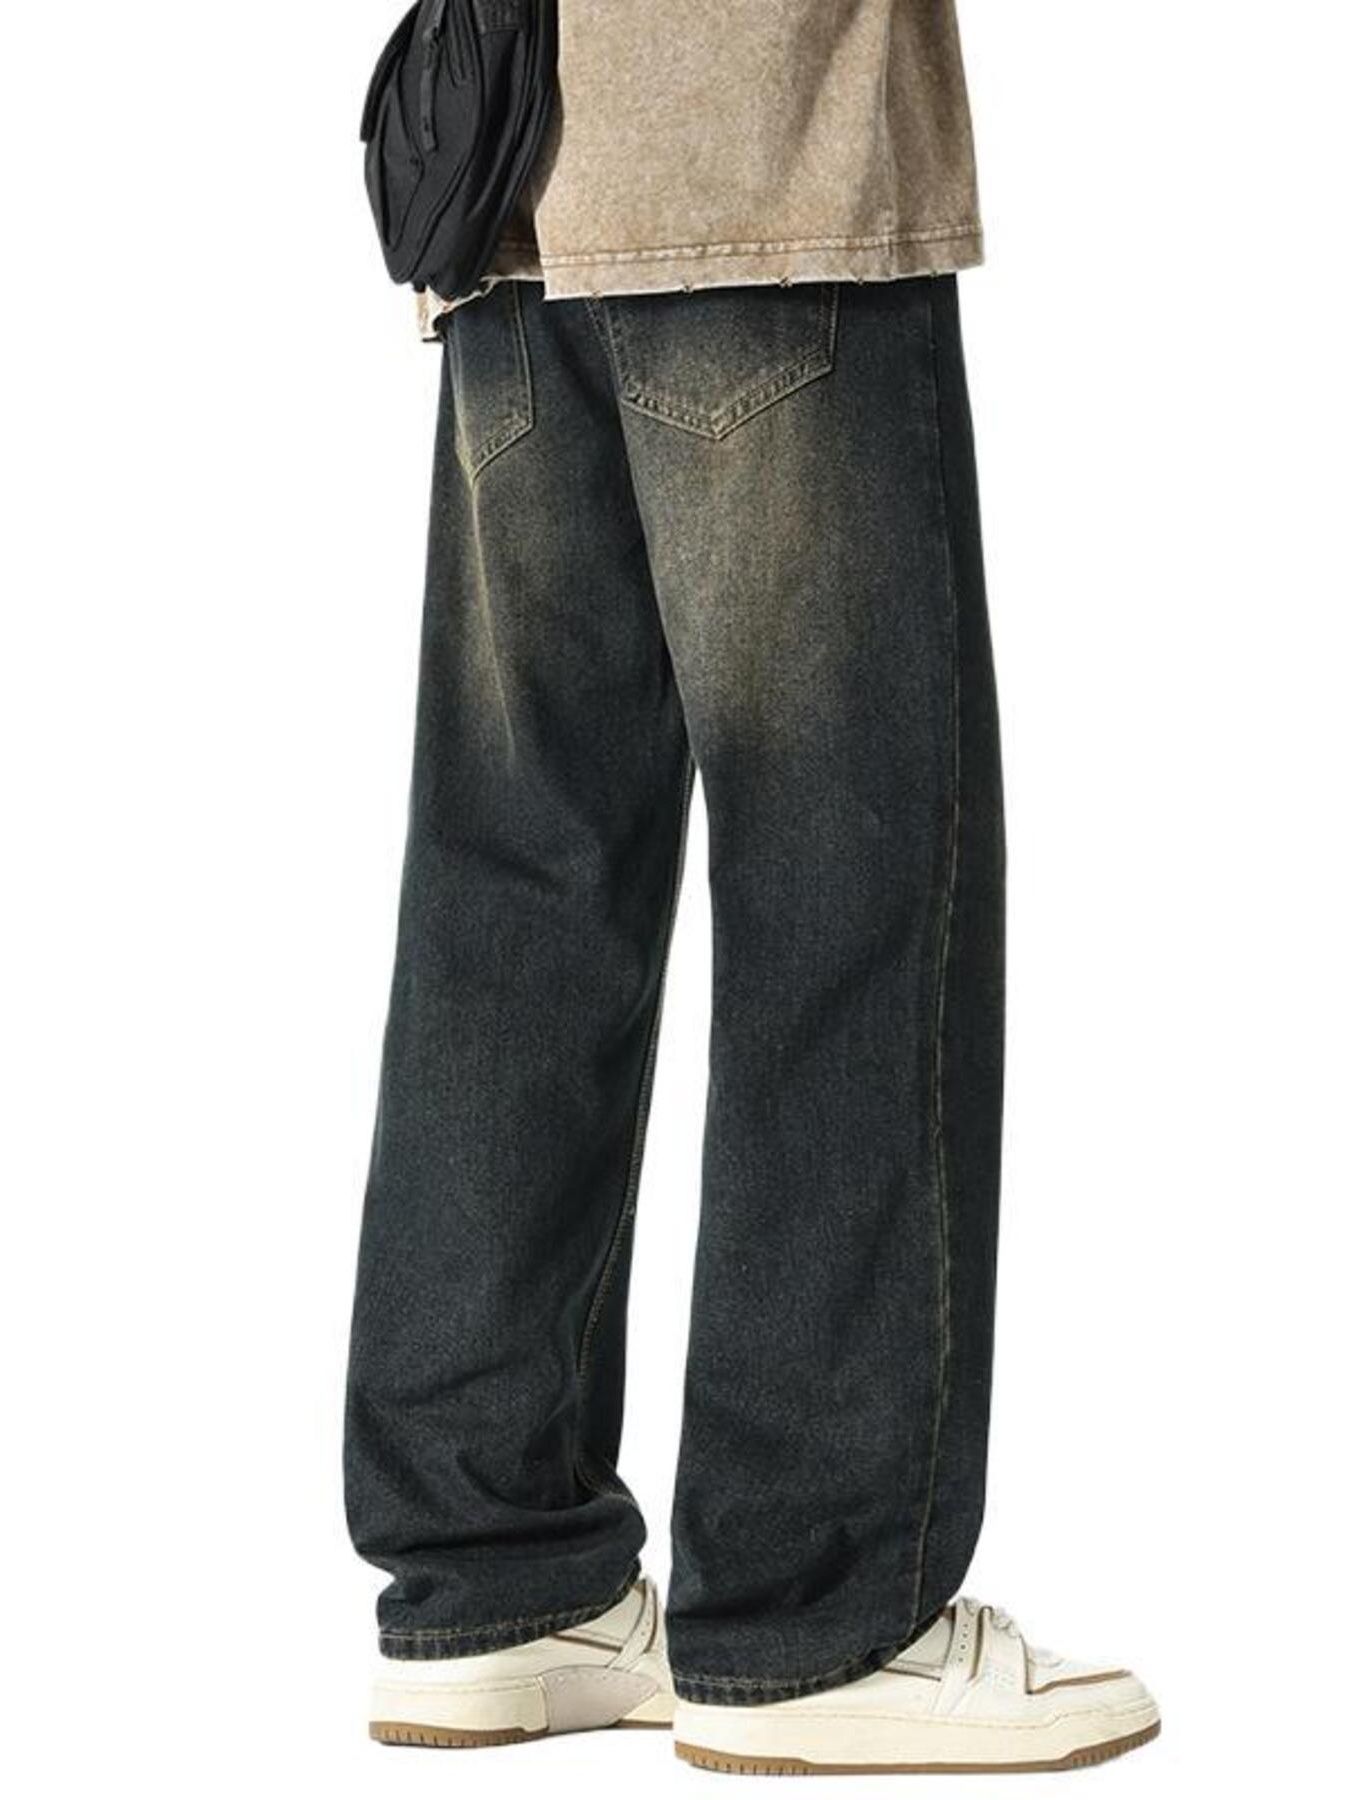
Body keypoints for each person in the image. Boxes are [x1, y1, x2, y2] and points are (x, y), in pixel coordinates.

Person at [345, 0, 1160, 1773]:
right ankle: (814, 1615)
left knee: (519, 897)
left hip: (513, 196)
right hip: (755, 159)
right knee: (840, 886)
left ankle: (500, 1574)